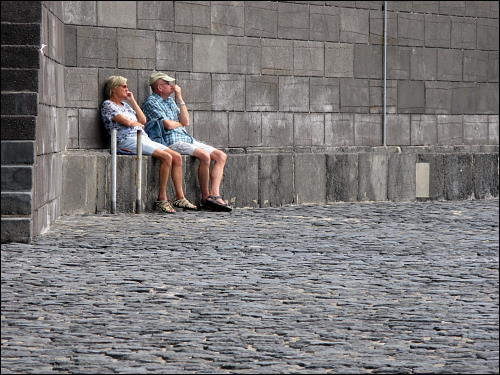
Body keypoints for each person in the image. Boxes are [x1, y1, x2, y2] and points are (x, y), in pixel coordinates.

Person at [100, 75, 197, 214]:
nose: (127, 89)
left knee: (176, 157)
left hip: (141, 137)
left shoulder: (126, 105)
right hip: (127, 140)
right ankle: (162, 198)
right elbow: (127, 122)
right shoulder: (108, 104)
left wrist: (132, 100)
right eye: (124, 86)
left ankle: (180, 197)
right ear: (113, 89)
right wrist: (135, 123)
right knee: (166, 157)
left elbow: (143, 120)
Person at [142, 72, 232, 212]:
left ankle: (215, 195)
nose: (173, 86)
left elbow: (186, 121)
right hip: (172, 140)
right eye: (169, 83)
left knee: (221, 156)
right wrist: (180, 123)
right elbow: (168, 125)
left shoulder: (171, 101)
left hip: (187, 139)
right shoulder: (151, 102)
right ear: (160, 87)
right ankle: (205, 197)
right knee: (205, 155)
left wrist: (180, 98)